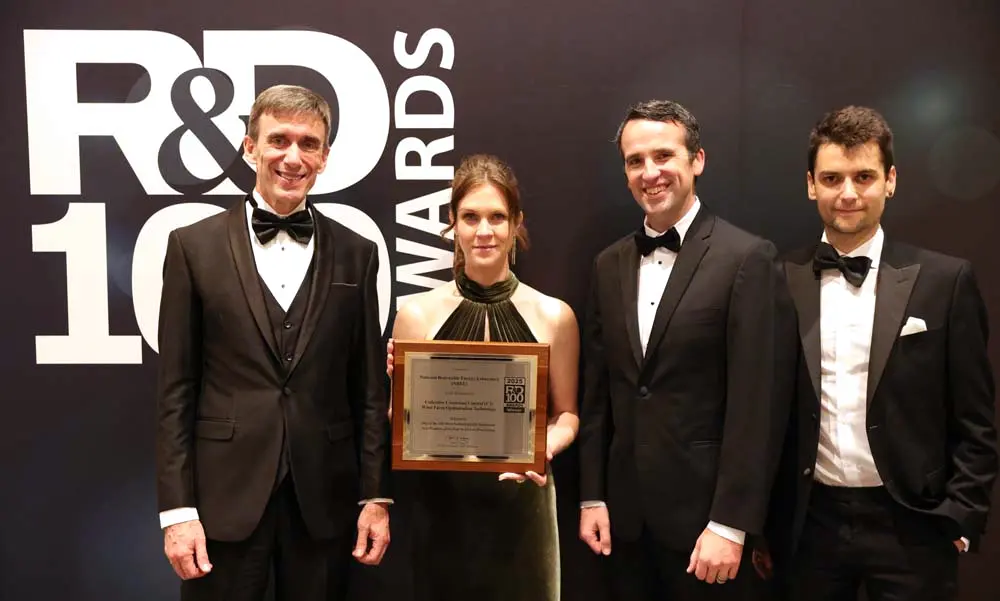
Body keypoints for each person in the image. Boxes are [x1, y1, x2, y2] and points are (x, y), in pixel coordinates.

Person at [155, 84, 391, 601]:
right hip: (223, 504)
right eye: (278, 139)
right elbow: (176, 390)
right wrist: (177, 512)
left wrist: (375, 497)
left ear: (325, 157)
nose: (293, 156)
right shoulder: (192, 248)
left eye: (309, 143)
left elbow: (371, 390)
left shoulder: (358, 254)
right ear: (249, 147)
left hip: (324, 504)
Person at [757, 105, 998, 601]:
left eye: (863, 176)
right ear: (810, 184)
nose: (847, 193)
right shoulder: (776, 279)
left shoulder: (945, 281)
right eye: (832, 178)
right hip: (808, 526)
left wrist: (961, 514)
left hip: (914, 522)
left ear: (890, 181)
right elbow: (758, 412)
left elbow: (976, 418)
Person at [577, 99, 787, 600]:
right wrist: (592, 496)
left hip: (706, 532)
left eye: (663, 156)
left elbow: (758, 406)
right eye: (635, 161)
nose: (650, 172)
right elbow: (598, 393)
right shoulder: (608, 264)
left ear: (697, 160)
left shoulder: (747, 258)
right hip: (625, 526)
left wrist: (732, 524)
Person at [386, 153, 580, 601]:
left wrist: (545, 446)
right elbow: (400, 422)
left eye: (497, 217)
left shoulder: (554, 316)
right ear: (453, 222)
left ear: (516, 223)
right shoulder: (416, 315)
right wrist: (401, 392)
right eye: (470, 217)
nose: (484, 231)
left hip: (525, 513)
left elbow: (568, 413)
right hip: (443, 514)